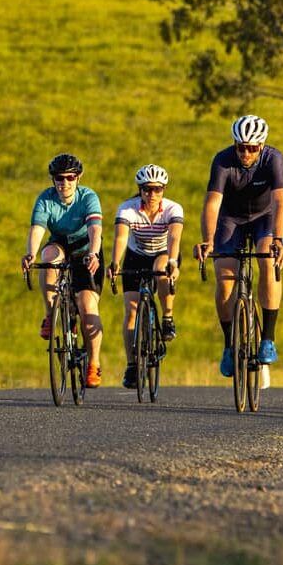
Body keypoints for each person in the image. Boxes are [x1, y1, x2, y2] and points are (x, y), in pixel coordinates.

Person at [193, 115, 283, 377]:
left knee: (268, 262)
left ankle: (267, 337)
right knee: (224, 280)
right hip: (230, 219)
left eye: (252, 148)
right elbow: (212, 203)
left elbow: (280, 201)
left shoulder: (273, 159)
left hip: (264, 218)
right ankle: (229, 344)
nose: (245, 153)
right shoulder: (223, 160)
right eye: (241, 147)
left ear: (262, 146)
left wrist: (278, 239)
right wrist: (208, 239)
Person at [23, 152, 105, 389]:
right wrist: (30, 253)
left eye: (70, 177)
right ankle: (51, 314)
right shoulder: (46, 199)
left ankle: (94, 363)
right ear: (53, 180)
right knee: (48, 258)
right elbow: (37, 228)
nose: (64, 183)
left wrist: (93, 253)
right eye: (59, 178)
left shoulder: (88, 197)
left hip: (86, 248)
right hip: (59, 243)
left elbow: (95, 229)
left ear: (78, 178)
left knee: (87, 304)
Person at [109, 163, 184, 389]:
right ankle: (132, 365)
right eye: (147, 189)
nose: (152, 194)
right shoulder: (127, 209)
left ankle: (167, 317)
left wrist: (172, 261)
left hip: (164, 253)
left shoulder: (173, 209)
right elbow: (121, 237)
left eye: (157, 189)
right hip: (136, 255)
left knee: (162, 268)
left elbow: (174, 237)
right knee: (131, 312)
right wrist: (115, 262)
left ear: (164, 190)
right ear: (140, 190)